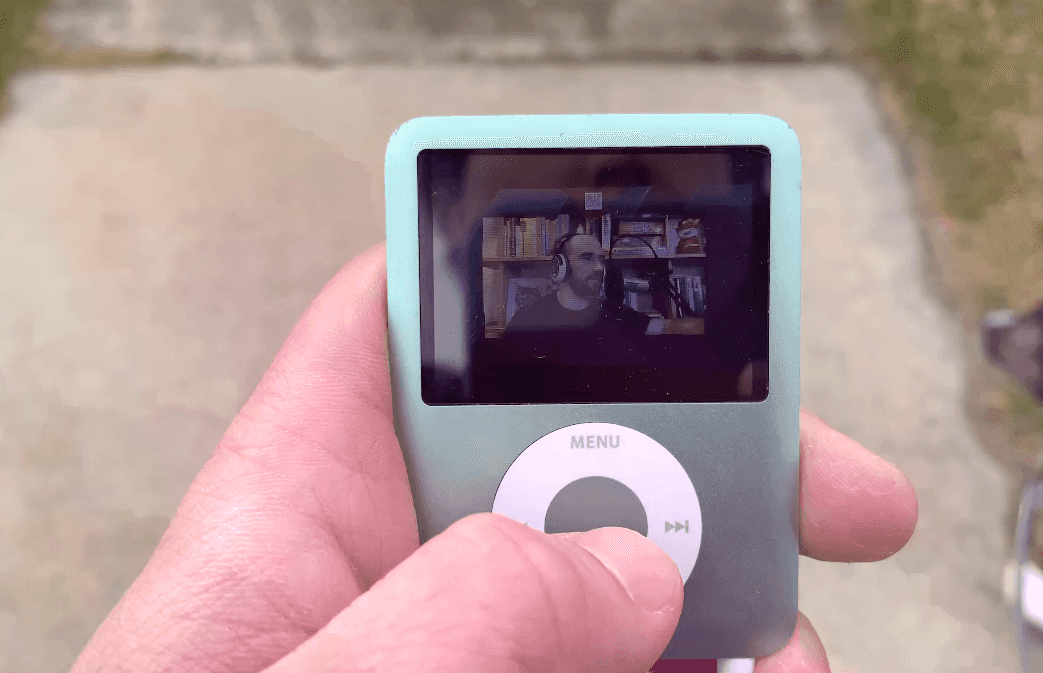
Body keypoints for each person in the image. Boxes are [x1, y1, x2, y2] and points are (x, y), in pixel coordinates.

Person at [69, 244, 918, 673]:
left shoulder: (637, 310)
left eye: (602, 256)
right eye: (579, 254)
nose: (591, 261)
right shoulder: (540, 307)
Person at [506, 231, 690, 337]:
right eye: (587, 258)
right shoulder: (530, 317)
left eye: (601, 260)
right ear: (560, 267)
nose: (598, 267)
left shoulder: (615, 312)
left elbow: (666, 327)